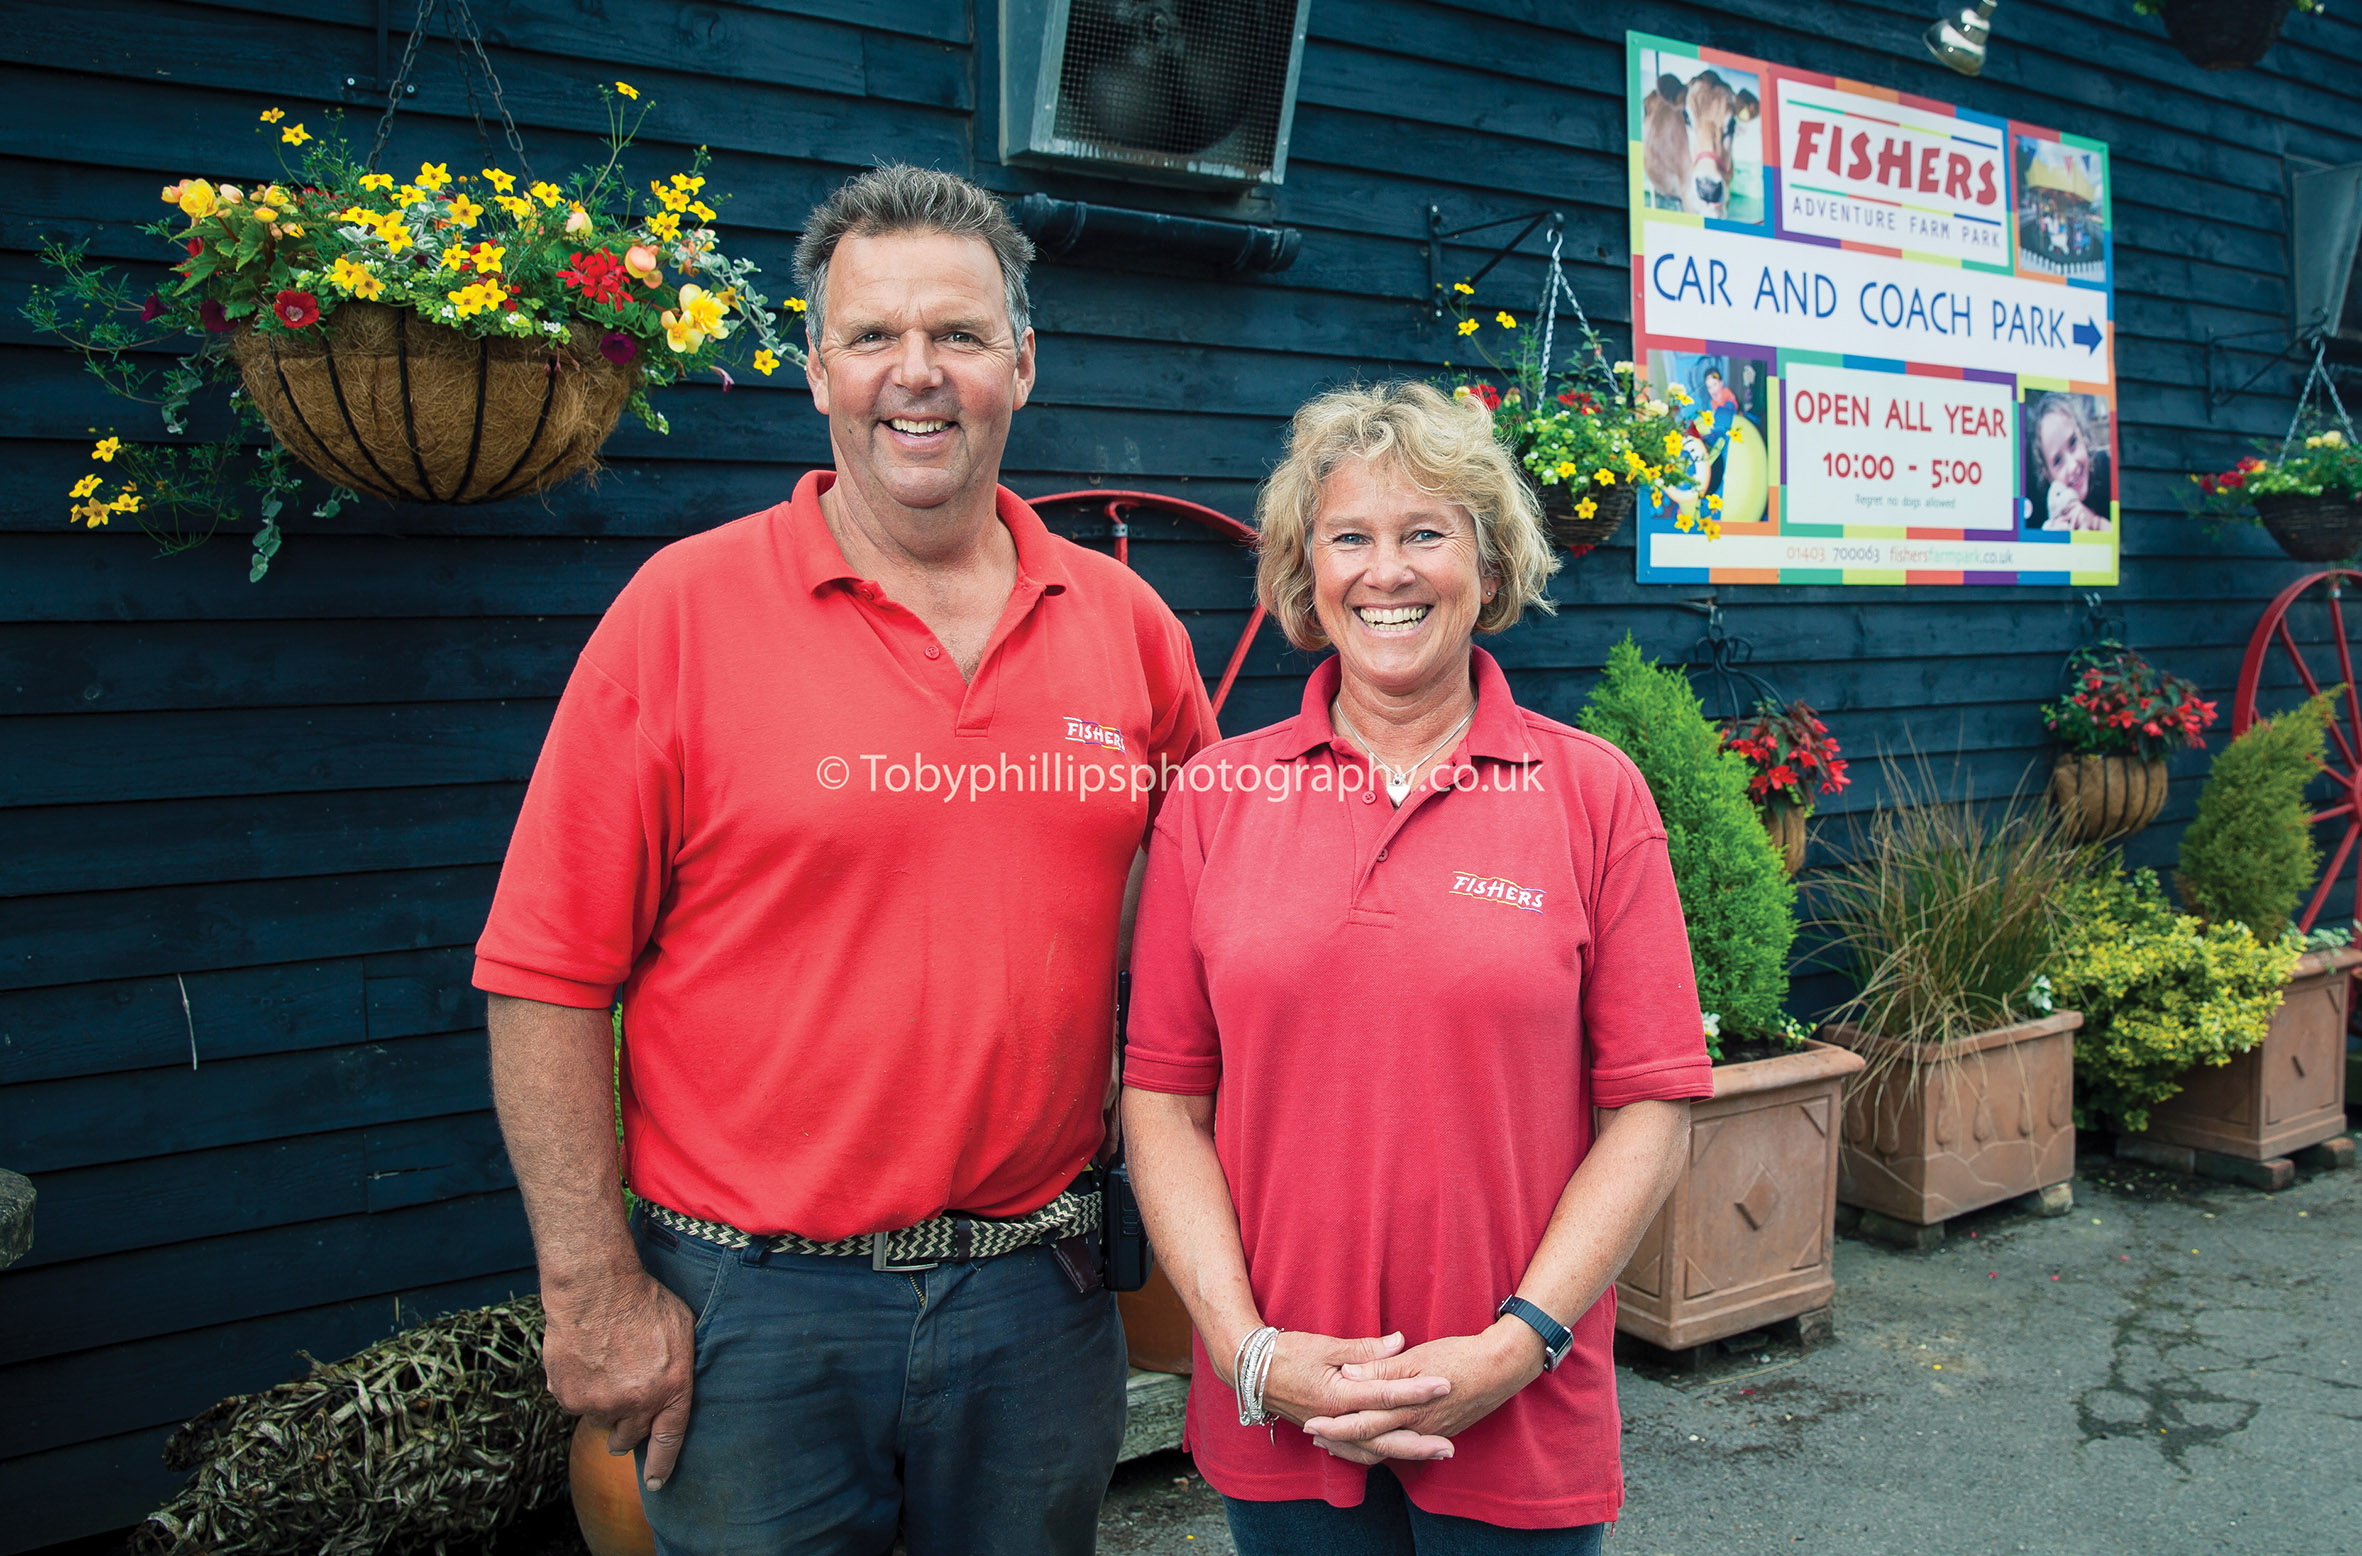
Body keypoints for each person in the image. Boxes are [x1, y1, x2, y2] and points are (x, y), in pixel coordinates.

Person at [475, 164, 1217, 1554]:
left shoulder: (1127, 628)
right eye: (873, 335)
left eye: (959, 334)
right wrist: (590, 1290)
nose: (914, 373)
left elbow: (1210, 910)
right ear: (816, 369)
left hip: (1038, 1295)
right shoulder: (679, 615)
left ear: (1022, 363)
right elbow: (542, 974)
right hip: (753, 1312)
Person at [1122, 381, 1712, 1552]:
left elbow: (1649, 1106)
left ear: (1486, 569)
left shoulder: (1593, 796)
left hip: (1517, 1411)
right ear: (1306, 572)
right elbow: (1164, 1101)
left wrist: (1515, 1344)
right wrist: (1247, 1350)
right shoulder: (1215, 798)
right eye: (1349, 537)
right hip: (1281, 1410)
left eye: (1425, 533)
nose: (1384, 571)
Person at [2030, 392, 2111, 532]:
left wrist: (2094, 522)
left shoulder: (2104, 469)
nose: (2072, 466)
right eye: (2057, 461)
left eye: (2073, 442)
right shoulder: (2050, 511)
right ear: (2048, 475)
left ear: (2082, 435)